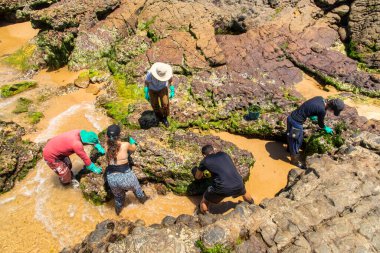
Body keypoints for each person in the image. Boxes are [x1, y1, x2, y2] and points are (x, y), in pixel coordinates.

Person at [194, 145, 254, 214]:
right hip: (238, 183)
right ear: (213, 150)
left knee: (205, 200)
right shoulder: (224, 154)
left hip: (222, 188)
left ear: (204, 155)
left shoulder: (205, 161)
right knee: (244, 192)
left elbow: (198, 177)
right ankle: (252, 204)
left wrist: (197, 171)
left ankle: (205, 215)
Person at [287, 96, 345, 168]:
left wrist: (311, 115)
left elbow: (308, 106)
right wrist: (326, 128)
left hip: (291, 117)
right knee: (296, 140)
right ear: (331, 108)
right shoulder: (322, 110)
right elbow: (321, 124)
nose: (332, 112)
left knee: (293, 137)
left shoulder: (320, 98)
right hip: (296, 124)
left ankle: (289, 149)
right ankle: (294, 161)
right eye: (333, 111)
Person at [105, 124, 148, 215]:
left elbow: (112, 146)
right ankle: (146, 207)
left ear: (107, 136)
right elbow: (133, 148)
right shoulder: (125, 145)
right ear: (119, 135)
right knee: (138, 192)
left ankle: (118, 215)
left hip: (112, 179)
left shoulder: (106, 146)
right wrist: (133, 143)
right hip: (126, 177)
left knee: (118, 199)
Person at [144, 62, 175, 127]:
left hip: (162, 88)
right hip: (152, 89)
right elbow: (146, 82)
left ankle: (165, 117)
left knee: (165, 103)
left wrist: (172, 89)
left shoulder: (168, 72)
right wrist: (146, 91)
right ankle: (159, 116)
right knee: (155, 104)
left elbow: (170, 80)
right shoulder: (150, 74)